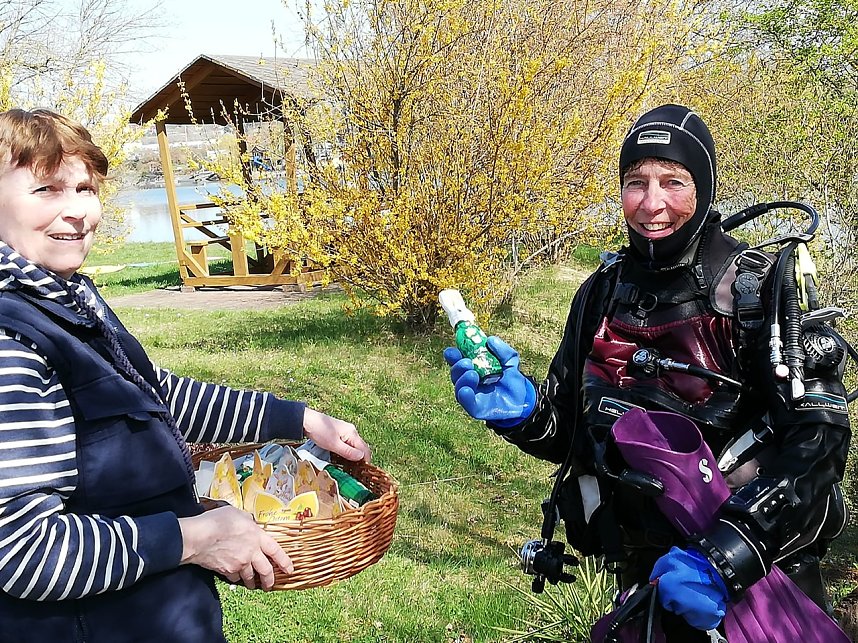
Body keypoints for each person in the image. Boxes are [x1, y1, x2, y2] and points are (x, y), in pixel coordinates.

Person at [445, 104, 852, 639]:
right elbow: (574, 435)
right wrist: (523, 413)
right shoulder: (601, 292)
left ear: (703, 189)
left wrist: (727, 556)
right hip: (645, 579)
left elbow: (818, 443)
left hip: (762, 585)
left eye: (673, 182)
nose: (652, 203)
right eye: (635, 182)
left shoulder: (756, 290)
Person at [0, 108, 372, 643]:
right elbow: (25, 552)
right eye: (48, 190)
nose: (78, 211)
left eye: (84, 188)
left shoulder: (66, 298)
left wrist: (299, 419)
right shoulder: (13, 342)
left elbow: (152, 392)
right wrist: (195, 538)